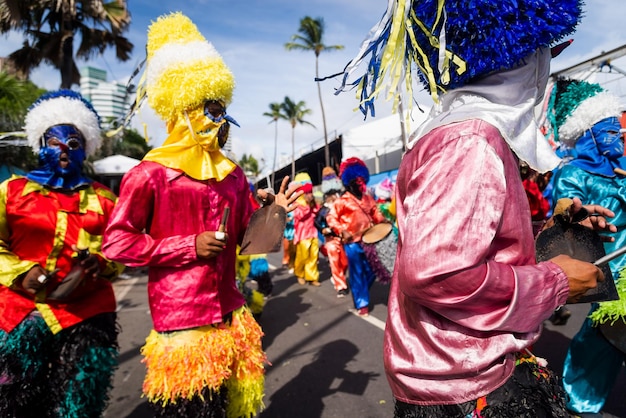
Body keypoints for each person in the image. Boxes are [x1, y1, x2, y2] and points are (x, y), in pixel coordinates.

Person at [333, 0, 617, 416]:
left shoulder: (458, 132)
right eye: (546, 53)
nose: (545, 70)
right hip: (462, 383)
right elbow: (439, 272)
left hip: (459, 372)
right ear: (519, 55)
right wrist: (554, 281)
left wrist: (552, 227)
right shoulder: (471, 140)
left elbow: (471, 247)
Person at [101, 12, 298, 418]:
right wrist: (188, 246)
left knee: (236, 407)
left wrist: (273, 214)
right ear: (184, 108)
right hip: (183, 319)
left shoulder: (231, 174)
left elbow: (247, 242)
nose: (220, 119)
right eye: (211, 109)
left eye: (222, 109)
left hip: (232, 310)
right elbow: (117, 242)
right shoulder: (149, 174)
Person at [0, 90, 123, 417]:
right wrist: (20, 272)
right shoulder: (11, 191)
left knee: (79, 406)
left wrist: (101, 263)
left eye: (73, 143)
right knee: (16, 405)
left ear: (85, 148)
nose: (64, 151)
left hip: (87, 315)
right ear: (41, 144)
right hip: (21, 316)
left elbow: (120, 248)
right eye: (55, 143)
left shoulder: (104, 198)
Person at [548, 78, 626, 417]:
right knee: (604, 336)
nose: (618, 137)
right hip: (609, 269)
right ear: (590, 134)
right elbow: (564, 218)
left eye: (618, 130)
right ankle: (576, 400)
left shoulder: (620, 172)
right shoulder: (573, 175)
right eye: (609, 131)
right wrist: (574, 218)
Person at [326, 157, 387, 316]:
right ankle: (362, 303)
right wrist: (341, 230)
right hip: (352, 243)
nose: (360, 184)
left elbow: (376, 214)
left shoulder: (368, 198)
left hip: (370, 240)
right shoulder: (342, 201)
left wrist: (384, 221)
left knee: (373, 269)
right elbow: (331, 218)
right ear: (349, 181)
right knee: (357, 272)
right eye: (356, 180)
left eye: (362, 180)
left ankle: (360, 290)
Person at [314, 166, 349, 297]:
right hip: (330, 240)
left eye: (335, 193)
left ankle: (339, 277)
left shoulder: (342, 205)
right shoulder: (324, 209)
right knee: (335, 263)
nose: (333, 197)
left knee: (345, 262)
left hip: (343, 238)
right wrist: (323, 229)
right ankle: (340, 286)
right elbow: (316, 221)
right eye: (330, 194)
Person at [291, 172, 321, 286]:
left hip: (313, 233)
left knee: (313, 256)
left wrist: (315, 206)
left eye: (310, 192)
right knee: (302, 256)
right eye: (307, 192)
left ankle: (312, 277)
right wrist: (308, 206)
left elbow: (316, 213)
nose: (310, 195)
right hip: (302, 234)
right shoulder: (297, 203)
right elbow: (299, 215)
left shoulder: (312, 202)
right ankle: (299, 273)